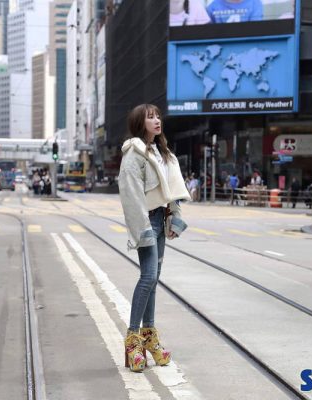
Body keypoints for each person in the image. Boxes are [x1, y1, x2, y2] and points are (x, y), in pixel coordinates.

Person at [118, 104, 191, 373]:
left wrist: (174, 217)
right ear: (140, 123)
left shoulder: (163, 153)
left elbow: (171, 189)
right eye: (150, 117)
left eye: (158, 116)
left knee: (153, 279)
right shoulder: (134, 153)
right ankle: (132, 341)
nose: (157, 120)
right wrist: (143, 228)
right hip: (147, 221)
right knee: (148, 277)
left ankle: (149, 336)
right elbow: (131, 194)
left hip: (161, 218)